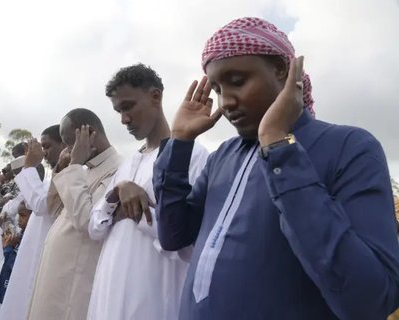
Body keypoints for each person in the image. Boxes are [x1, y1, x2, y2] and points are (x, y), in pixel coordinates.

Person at [153, 17, 399, 320]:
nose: (226, 101)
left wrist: (279, 146)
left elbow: (372, 300)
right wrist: (179, 143)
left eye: (238, 81)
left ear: (283, 71)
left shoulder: (349, 147)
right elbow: (172, 235)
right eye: (217, 88)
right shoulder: (224, 156)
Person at [87, 64, 209, 320]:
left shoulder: (193, 157)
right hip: (109, 288)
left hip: (154, 292)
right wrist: (116, 194)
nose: (124, 119)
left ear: (156, 96)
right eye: (118, 110)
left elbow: (185, 241)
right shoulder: (128, 163)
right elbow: (96, 227)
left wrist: (134, 213)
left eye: (128, 106)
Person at [27, 108, 122, 320]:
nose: (68, 150)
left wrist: (75, 165)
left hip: (74, 276)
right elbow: (53, 209)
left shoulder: (117, 170)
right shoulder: (82, 170)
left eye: (71, 143)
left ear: (90, 134)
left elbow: (87, 220)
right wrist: (62, 169)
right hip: (57, 270)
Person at [0, 125, 66, 320]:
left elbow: (42, 205)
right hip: (33, 247)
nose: (43, 154)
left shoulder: (73, 174)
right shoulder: (53, 176)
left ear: (65, 144)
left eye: (47, 146)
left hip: (47, 253)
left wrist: (28, 167)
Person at [0, 201, 32, 304]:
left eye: (23, 216)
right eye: (18, 215)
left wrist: (8, 248)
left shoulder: (30, 238)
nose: (19, 220)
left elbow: (16, 265)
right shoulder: (22, 234)